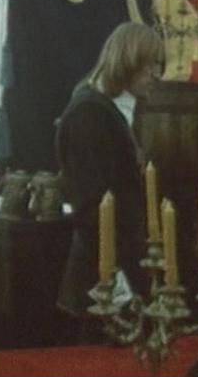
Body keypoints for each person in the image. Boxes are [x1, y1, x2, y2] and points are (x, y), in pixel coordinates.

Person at [55, 22, 164, 341]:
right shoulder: (88, 115)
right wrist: (119, 285)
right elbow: (92, 208)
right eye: (149, 64)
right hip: (102, 282)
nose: (156, 74)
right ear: (127, 60)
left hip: (119, 272)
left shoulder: (110, 110)